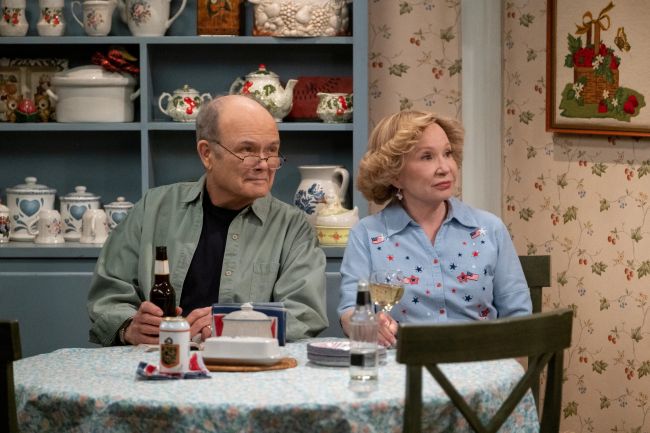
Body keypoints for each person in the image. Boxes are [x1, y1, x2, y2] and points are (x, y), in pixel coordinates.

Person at [88, 95, 328, 346]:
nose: (263, 165)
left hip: (247, 366)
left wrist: (232, 326)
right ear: (207, 154)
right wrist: (129, 327)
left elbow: (304, 315)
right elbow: (109, 294)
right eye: (247, 150)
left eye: (271, 151)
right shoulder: (153, 208)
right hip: (159, 359)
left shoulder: (293, 228)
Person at [338, 110, 532, 347]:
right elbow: (350, 311)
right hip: (401, 367)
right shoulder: (367, 235)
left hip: (480, 364)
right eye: (427, 157)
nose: (445, 167)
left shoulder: (490, 229)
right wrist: (365, 325)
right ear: (394, 174)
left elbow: (519, 320)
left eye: (447, 153)